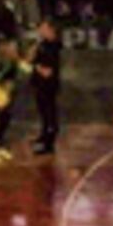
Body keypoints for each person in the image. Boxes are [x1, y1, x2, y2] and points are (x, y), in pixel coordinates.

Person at [26, 21, 65, 155]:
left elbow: (48, 72)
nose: (40, 30)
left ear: (50, 29)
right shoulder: (42, 44)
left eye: (43, 28)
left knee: (49, 112)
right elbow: (29, 58)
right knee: (42, 111)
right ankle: (43, 136)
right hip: (39, 84)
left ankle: (49, 144)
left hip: (48, 85)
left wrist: (36, 67)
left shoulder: (53, 48)